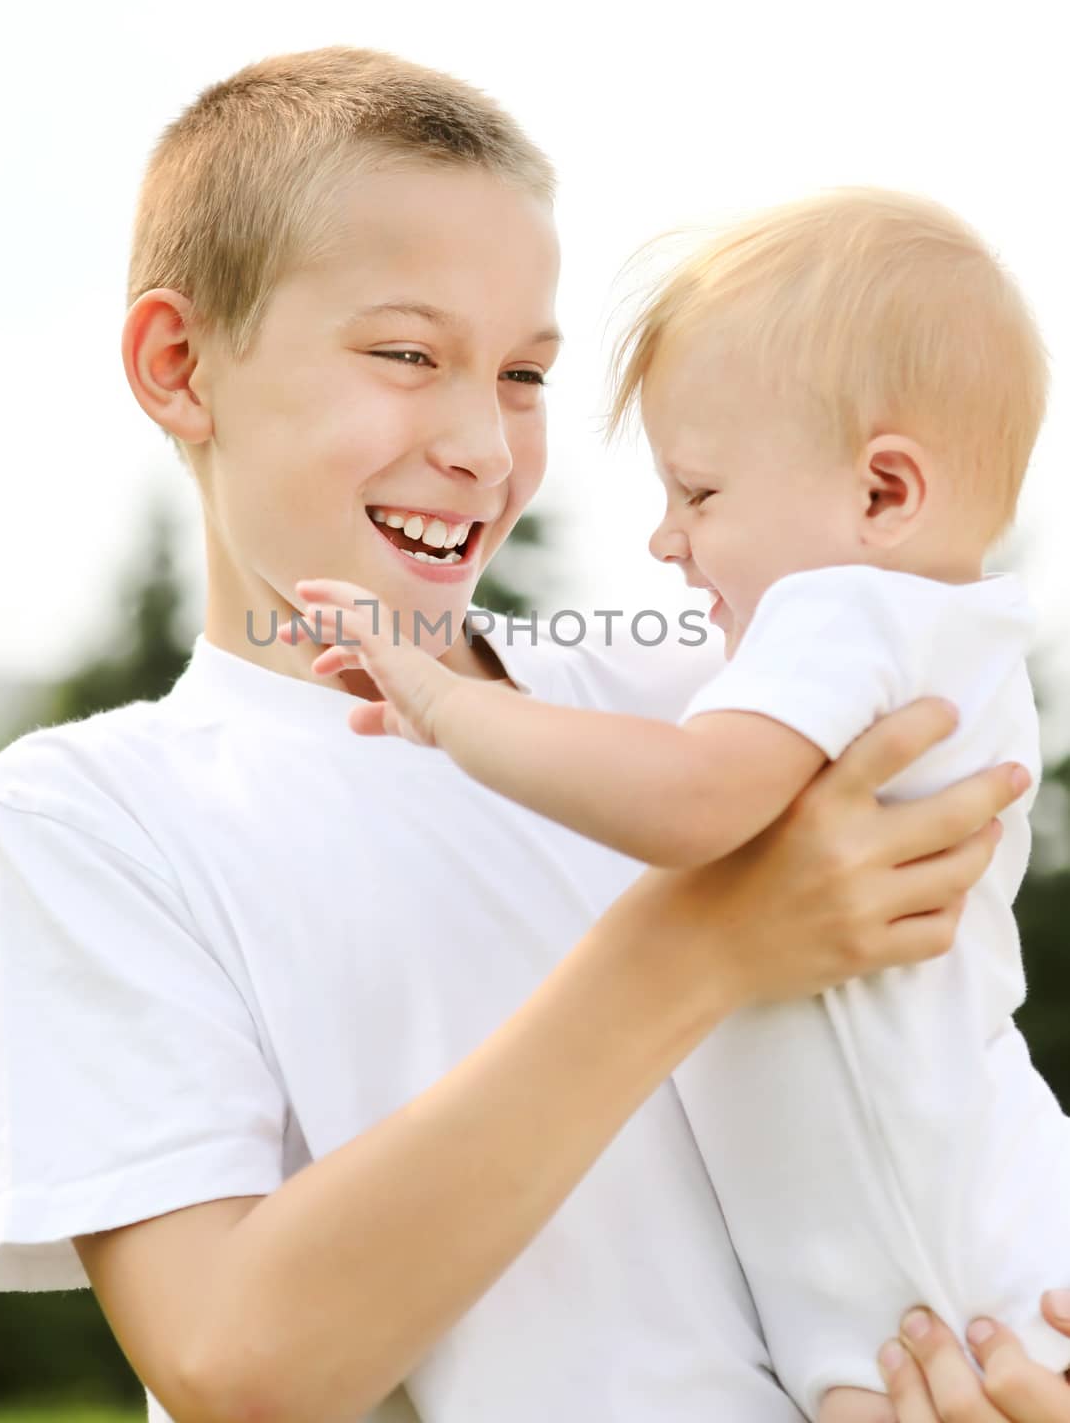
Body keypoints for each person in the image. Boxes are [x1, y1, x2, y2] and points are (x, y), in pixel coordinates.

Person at [0, 48, 1069, 1423]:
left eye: (526, 375)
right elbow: (238, 1362)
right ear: (179, 367)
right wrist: (698, 943)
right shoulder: (97, 813)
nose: (484, 442)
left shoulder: (689, 710)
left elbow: (947, 1066)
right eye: (406, 355)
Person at [287, 187, 1070, 1423]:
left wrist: (446, 705)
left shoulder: (851, 612)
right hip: (928, 1292)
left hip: (957, 1283)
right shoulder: (943, 635)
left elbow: (692, 803)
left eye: (699, 494)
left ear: (883, 496)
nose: (666, 541)